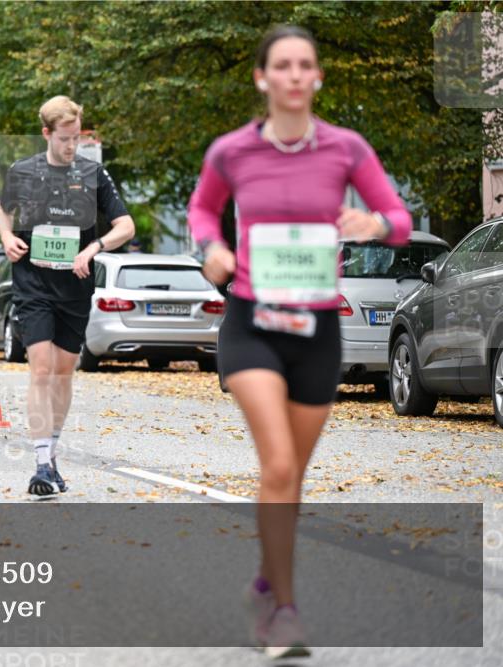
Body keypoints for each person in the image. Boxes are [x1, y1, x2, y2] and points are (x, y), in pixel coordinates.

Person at [187, 25, 411, 659]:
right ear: (263, 77)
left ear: (316, 78)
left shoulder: (345, 149)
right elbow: (202, 211)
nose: (292, 74)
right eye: (281, 65)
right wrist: (214, 250)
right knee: (279, 464)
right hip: (252, 319)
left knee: (291, 477)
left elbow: (399, 219)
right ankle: (284, 613)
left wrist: (374, 222)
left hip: (316, 329)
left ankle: (264, 584)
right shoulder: (232, 152)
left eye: (304, 65)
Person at [0, 95, 135, 496]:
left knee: (63, 371)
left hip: (75, 283)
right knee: (40, 367)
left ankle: (51, 454)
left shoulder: (93, 174)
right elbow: (2, 211)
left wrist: (95, 248)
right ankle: (40, 463)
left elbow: (126, 225)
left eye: (77, 138)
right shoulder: (22, 171)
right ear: (46, 134)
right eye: (65, 139)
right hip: (33, 283)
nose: (72, 146)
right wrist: (6, 236)